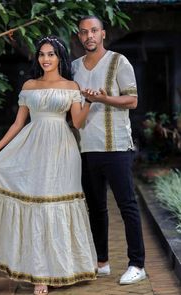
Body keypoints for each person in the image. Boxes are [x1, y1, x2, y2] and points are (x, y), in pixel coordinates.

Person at [0, 35, 97, 295]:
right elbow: (18, 124)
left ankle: (61, 269)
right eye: (42, 54)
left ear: (60, 57)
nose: (45, 59)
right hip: (33, 147)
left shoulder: (71, 85)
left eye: (51, 54)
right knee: (37, 203)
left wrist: (90, 101)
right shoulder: (29, 85)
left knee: (56, 203)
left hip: (62, 150)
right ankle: (40, 275)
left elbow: (78, 123)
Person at [72, 16, 146, 285]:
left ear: (102, 34)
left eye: (94, 31)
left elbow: (133, 100)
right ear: (79, 37)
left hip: (116, 146)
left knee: (127, 206)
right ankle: (101, 262)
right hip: (87, 148)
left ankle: (137, 264)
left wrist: (102, 98)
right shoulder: (73, 68)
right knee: (96, 208)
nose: (89, 36)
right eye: (83, 32)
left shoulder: (118, 61)